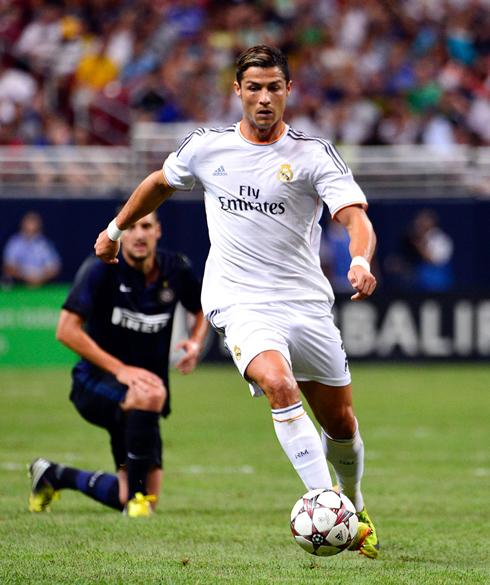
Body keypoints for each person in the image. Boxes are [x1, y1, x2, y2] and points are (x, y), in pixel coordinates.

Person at [93, 45, 380, 557]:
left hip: (305, 305)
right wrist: (115, 229)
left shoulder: (314, 155)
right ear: (238, 91)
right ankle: (327, 506)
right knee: (277, 382)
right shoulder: (207, 148)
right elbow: (160, 184)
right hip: (240, 301)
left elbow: (355, 218)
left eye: (274, 87)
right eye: (255, 87)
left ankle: (354, 502)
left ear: (289, 90)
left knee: (341, 424)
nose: (264, 97)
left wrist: (359, 260)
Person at [28, 209, 208, 517]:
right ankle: (135, 500)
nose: (139, 234)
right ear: (120, 232)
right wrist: (121, 370)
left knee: (143, 499)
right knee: (151, 396)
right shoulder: (100, 268)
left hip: (141, 398)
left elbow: (204, 307)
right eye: (132, 227)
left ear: (158, 231)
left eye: (146, 226)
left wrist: (195, 342)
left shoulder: (176, 269)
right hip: (94, 383)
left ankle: (53, 475)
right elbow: (65, 330)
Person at [2, 211, 61, 287]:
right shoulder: (15, 242)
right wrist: (25, 277)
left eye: (34, 222)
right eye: (29, 222)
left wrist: (39, 278)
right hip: (19, 285)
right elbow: (8, 266)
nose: (31, 226)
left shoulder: (44, 244)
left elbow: (54, 268)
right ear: (23, 224)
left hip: (41, 286)